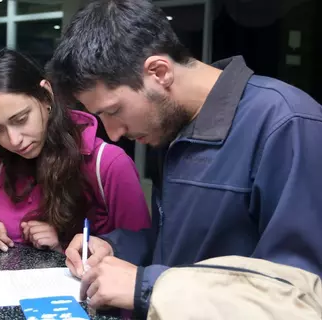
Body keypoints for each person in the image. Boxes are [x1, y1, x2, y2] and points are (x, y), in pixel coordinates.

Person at [46, 0, 322, 317]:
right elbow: (182, 242)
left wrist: (145, 286)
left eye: (113, 111)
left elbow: (299, 294)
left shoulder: (288, 124)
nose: (114, 132)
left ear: (159, 72)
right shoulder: (177, 125)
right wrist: (115, 246)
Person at [0, 48, 151, 254]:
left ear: (46, 95)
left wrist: (62, 244)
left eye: (20, 119)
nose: (13, 140)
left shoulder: (109, 163)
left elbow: (139, 248)